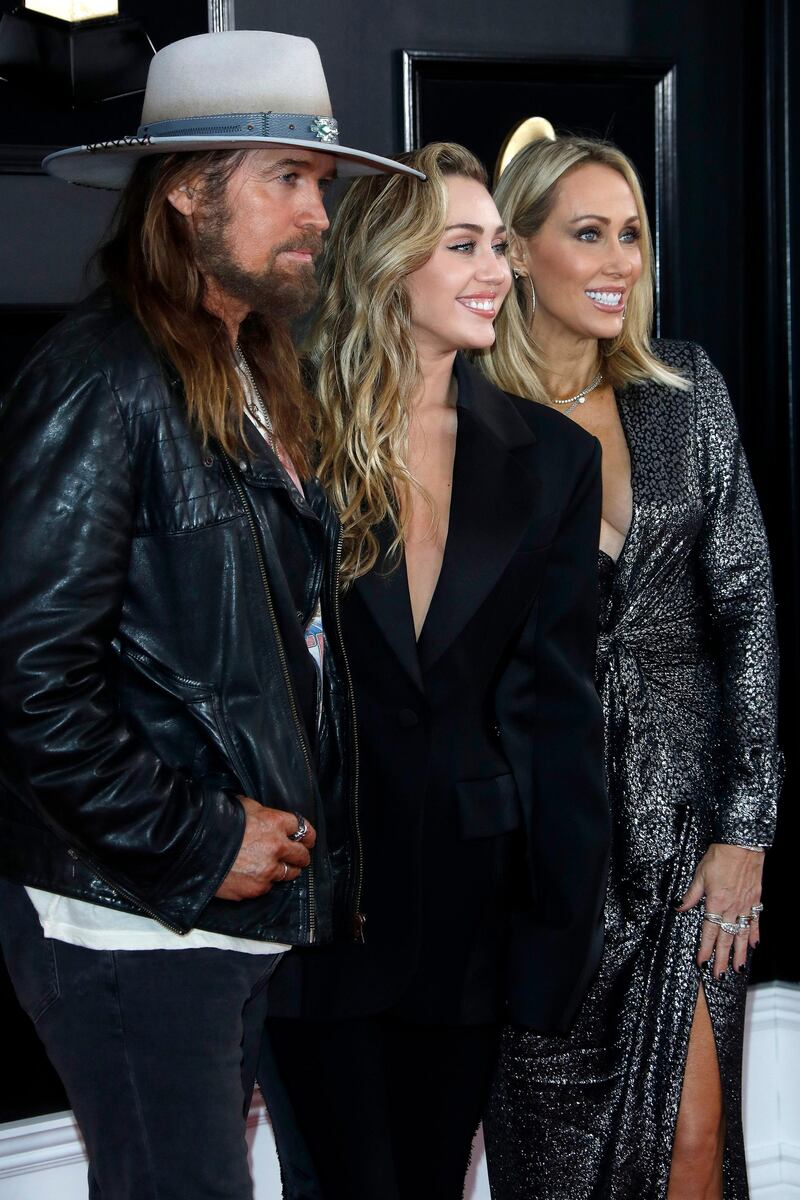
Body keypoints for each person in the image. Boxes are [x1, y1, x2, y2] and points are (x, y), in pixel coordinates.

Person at [0, 31, 421, 1200]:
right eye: (283, 180)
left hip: (216, 923)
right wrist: (197, 836)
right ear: (188, 191)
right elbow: (26, 678)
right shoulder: (102, 375)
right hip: (131, 924)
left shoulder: (243, 366)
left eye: (321, 186)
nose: (317, 216)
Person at [261, 141, 610, 1200]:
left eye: (499, 246)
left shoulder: (548, 458)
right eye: (462, 245)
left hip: (468, 912)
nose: (496, 272)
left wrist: (555, 931)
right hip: (307, 905)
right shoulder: (281, 437)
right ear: (385, 266)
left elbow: (557, 712)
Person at [479, 134, 782, 1200]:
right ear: (513, 251)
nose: (618, 261)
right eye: (587, 234)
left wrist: (746, 827)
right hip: (540, 852)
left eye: (632, 235)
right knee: (554, 1169)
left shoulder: (683, 390)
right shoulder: (468, 414)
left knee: (693, 1145)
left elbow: (743, 605)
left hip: (690, 828)